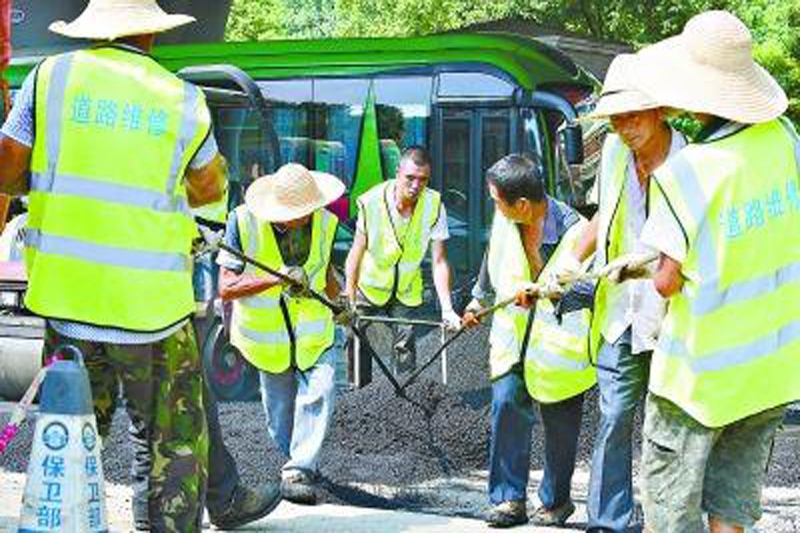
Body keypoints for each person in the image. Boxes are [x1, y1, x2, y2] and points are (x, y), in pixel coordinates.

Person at [0, 0, 238, 530]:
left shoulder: (48, 79)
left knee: (69, 432)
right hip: (151, 312)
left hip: (65, 304)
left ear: (92, 33)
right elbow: (208, 187)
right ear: (151, 34)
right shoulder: (183, 100)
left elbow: (8, 166)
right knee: (171, 443)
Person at [629, 11, 800, 532]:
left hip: (698, 379)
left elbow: (666, 281)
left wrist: (639, 271)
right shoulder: (787, 140)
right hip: (770, 369)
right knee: (731, 506)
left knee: (671, 509)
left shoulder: (687, 172)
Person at [560, 54, 687, 532]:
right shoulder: (614, 153)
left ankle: (665, 519)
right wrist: (571, 260)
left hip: (672, 314)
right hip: (619, 313)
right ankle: (608, 521)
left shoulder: (690, 161)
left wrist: (644, 263)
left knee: (670, 428)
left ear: (659, 112)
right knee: (613, 416)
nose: (624, 127)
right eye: (616, 119)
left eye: (633, 116)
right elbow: (602, 215)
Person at [462, 154, 597, 528]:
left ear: (522, 204)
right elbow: (493, 262)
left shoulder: (578, 232)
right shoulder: (506, 221)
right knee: (506, 407)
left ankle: (556, 500)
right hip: (511, 339)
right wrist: (477, 300)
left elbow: (595, 290)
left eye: (497, 200)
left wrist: (547, 294)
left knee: (560, 428)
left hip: (559, 350)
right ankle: (508, 499)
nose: (495, 207)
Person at [218, 163, 345, 505]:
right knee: (279, 417)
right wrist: (275, 278)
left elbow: (328, 272)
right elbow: (226, 288)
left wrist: (341, 301)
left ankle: (298, 469)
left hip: (315, 334)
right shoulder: (242, 223)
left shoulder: (327, 223)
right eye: (298, 212)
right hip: (268, 340)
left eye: (309, 209)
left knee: (322, 387)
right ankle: (295, 458)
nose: (306, 217)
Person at [344, 146, 459, 377]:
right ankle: (357, 395)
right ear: (398, 172)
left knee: (405, 347)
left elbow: (439, 261)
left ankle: (405, 401)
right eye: (410, 178)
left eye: (423, 180)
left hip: (406, 288)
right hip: (370, 285)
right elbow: (356, 252)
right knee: (357, 340)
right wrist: (350, 296)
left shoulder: (434, 205)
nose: (416, 186)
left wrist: (447, 309)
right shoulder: (371, 202)